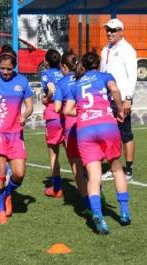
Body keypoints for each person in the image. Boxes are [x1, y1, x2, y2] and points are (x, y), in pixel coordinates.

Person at [64, 52, 130, 234]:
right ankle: (124, 212)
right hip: (107, 125)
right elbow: (115, 90)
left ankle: (97, 215)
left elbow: (67, 109)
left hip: (85, 130)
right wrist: (120, 110)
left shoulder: (76, 83)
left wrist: (85, 113)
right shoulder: (105, 76)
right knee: (117, 169)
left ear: (83, 66)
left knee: (94, 176)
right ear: (98, 64)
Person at [0, 48, 33, 224]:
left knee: (19, 174)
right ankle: (0, 209)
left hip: (15, 133)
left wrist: (24, 115)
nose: (5, 72)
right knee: (0, 173)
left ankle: (8, 193)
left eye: (8, 69)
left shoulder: (22, 81)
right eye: (2, 68)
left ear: (14, 67)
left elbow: (30, 105)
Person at [100, 18, 137, 181]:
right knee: (109, 134)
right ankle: (113, 167)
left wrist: (128, 98)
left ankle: (128, 170)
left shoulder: (127, 49)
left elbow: (132, 75)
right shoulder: (105, 49)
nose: (109, 33)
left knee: (125, 134)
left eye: (113, 30)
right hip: (106, 99)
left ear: (121, 31)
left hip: (121, 99)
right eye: (108, 29)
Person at [53, 52, 88, 209]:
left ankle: (87, 200)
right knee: (91, 162)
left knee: (76, 165)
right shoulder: (86, 77)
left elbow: (57, 108)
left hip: (72, 126)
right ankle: (97, 192)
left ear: (64, 67)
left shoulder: (62, 82)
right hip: (89, 122)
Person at [40, 49, 65, 198]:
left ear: (46, 62)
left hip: (53, 115)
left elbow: (50, 90)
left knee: (53, 153)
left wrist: (46, 98)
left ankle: (56, 188)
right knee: (73, 154)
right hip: (67, 114)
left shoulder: (46, 74)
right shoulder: (64, 73)